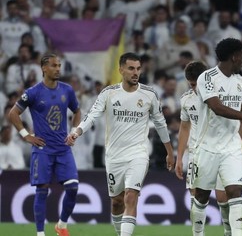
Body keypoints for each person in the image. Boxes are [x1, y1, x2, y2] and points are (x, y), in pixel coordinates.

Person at [66, 52, 174, 236]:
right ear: (121, 69)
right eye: (131, 68)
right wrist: (77, 131)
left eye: (138, 69)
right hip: (114, 155)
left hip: (139, 153)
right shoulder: (109, 93)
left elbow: (161, 124)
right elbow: (92, 116)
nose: (135, 72)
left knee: (131, 196)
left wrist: (169, 151)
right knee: (117, 201)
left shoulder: (149, 94)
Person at [190, 38, 242, 236]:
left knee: (235, 192)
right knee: (201, 196)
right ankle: (198, 233)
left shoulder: (239, 80)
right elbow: (217, 108)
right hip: (206, 146)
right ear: (234, 57)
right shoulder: (207, 78)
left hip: (231, 147)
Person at [8, 53, 81, 236]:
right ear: (43, 68)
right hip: (42, 149)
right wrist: (26, 135)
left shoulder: (67, 90)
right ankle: (40, 234)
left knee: (73, 187)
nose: (58, 69)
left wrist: (73, 132)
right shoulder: (32, 93)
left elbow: (77, 111)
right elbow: (13, 114)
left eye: (59, 65)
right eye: (54, 66)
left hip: (63, 149)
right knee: (42, 191)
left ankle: (61, 225)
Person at [174, 61, 232, 235]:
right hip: (197, 154)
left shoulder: (220, 95)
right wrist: (179, 157)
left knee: (223, 198)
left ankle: (229, 231)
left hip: (221, 151)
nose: (194, 88)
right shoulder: (186, 99)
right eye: (191, 84)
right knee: (196, 196)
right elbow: (184, 128)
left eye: (196, 83)